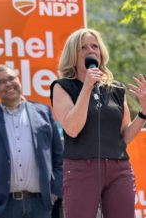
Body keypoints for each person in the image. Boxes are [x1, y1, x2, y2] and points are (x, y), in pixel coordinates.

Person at [50, 28, 146, 218]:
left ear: (101, 52)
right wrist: (86, 87)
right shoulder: (62, 87)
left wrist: (143, 113)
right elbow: (72, 128)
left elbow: (124, 136)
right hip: (80, 168)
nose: (90, 51)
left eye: (95, 46)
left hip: (119, 168)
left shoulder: (116, 89)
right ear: (73, 54)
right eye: (83, 47)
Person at [0, 64, 63, 218]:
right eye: (1, 82)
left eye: (11, 78)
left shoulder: (43, 112)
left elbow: (58, 155)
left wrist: (55, 191)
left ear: (19, 80)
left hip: (40, 204)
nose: (8, 84)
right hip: (4, 207)